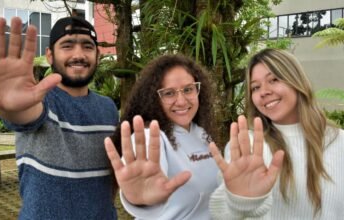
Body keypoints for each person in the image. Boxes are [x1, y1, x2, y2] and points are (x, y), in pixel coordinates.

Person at [0, 16, 119, 219]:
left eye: (87, 46)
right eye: (67, 46)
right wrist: (7, 106)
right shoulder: (39, 100)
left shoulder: (108, 108)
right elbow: (25, 114)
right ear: (49, 55)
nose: (79, 55)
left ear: (98, 56)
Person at [104, 54, 284, 219]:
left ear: (199, 91)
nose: (181, 101)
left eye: (188, 89)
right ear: (154, 98)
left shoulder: (201, 133)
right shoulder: (150, 137)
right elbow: (145, 187)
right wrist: (141, 201)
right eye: (169, 93)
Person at [210, 48, 344, 219]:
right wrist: (239, 202)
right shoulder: (247, 145)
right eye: (255, 87)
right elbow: (222, 214)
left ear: (297, 81)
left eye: (274, 79)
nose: (264, 91)